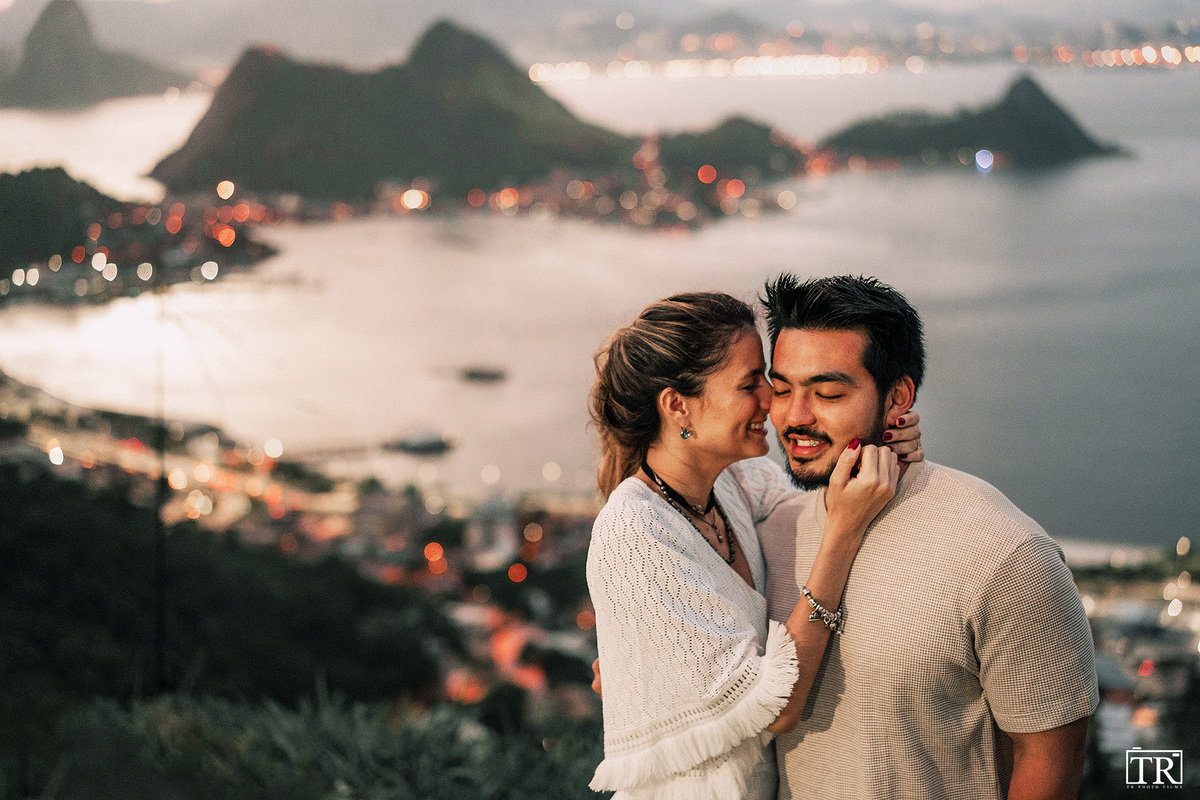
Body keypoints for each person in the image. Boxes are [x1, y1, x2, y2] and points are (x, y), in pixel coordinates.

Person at [758, 274, 1098, 800]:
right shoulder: (770, 531)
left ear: (899, 398)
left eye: (827, 393)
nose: (795, 417)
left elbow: (1052, 756)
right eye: (781, 390)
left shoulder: (1004, 554)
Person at [586, 292, 923, 800]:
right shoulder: (633, 531)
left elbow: (822, 502)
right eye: (750, 384)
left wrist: (881, 440)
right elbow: (778, 706)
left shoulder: (736, 485)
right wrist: (844, 536)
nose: (773, 398)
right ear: (678, 405)